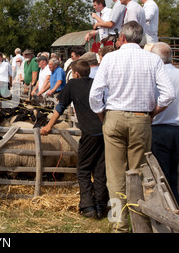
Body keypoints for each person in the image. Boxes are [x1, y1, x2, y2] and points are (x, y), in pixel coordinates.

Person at [89, 21, 175, 233]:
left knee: (115, 175)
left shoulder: (110, 58)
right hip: (141, 118)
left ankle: (119, 223)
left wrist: (103, 115)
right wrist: (153, 113)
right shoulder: (153, 59)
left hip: (114, 116)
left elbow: (94, 94)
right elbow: (169, 94)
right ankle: (139, 223)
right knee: (137, 173)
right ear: (140, 39)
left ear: (122, 39)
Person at [41, 60, 108, 219]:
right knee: (100, 169)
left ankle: (88, 206)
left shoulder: (73, 85)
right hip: (105, 131)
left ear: (76, 74)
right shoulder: (96, 83)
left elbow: (60, 107)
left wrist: (49, 126)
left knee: (83, 169)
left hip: (90, 133)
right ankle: (100, 205)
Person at [149, 42, 179, 203]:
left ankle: (167, 208)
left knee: (161, 174)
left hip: (159, 128)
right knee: (174, 173)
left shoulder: (154, 77)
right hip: (177, 128)